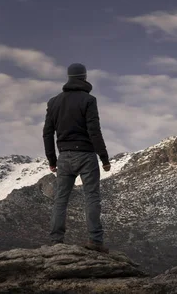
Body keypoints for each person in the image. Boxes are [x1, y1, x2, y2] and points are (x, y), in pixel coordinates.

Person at [43, 63, 111, 253]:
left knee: (60, 200)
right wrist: (104, 158)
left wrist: (52, 160)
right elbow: (94, 131)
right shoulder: (89, 100)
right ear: (84, 77)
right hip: (86, 155)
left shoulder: (54, 102)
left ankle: (56, 241)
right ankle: (95, 241)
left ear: (68, 77)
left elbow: (47, 133)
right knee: (91, 197)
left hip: (64, 157)